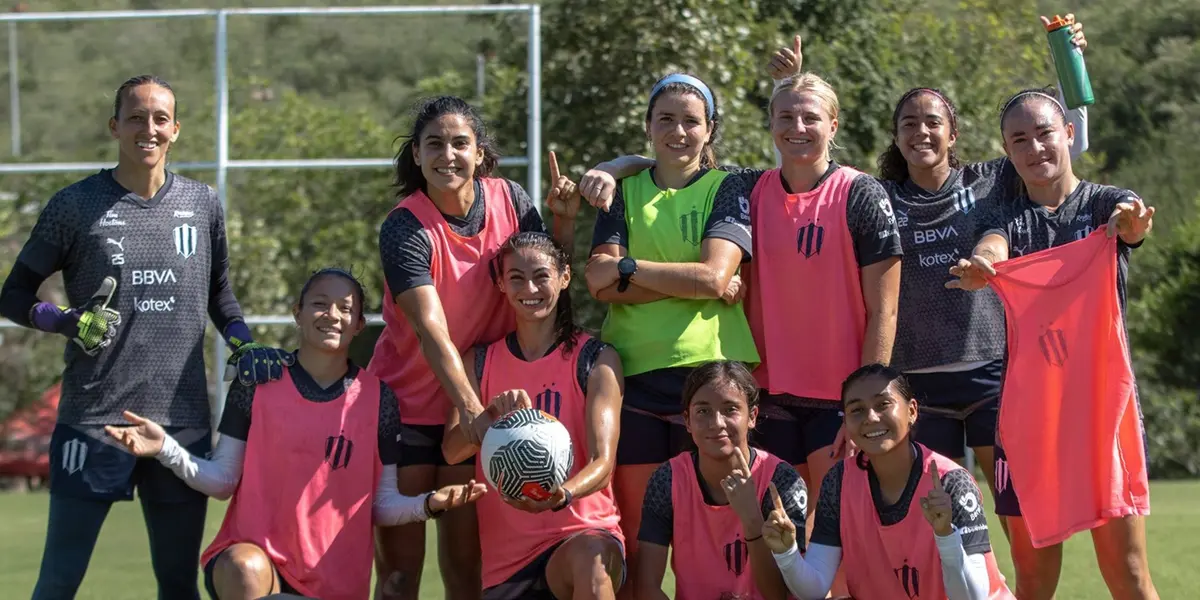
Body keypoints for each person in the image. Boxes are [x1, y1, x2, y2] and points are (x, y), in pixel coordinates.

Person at [583, 59, 903, 555]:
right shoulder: (752, 188)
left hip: (837, 398)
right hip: (768, 392)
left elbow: (884, 312)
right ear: (770, 125)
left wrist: (864, 406)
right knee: (775, 540)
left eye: (811, 118)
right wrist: (612, 167)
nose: (798, 128)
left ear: (833, 125)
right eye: (785, 118)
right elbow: (671, 165)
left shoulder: (860, 193)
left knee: (840, 539)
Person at [0, 74, 290, 600]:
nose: (148, 129)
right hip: (92, 420)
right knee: (59, 582)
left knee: (178, 584)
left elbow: (219, 293)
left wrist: (243, 340)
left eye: (160, 119)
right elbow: (13, 294)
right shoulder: (75, 205)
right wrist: (67, 321)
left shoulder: (203, 204)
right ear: (115, 126)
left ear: (176, 130)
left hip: (179, 424)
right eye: (135, 117)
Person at [105, 268, 487, 600]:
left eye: (346, 308)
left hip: (337, 584)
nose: (332, 315)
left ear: (358, 324)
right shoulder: (258, 381)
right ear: (297, 314)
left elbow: (381, 504)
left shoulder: (379, 398)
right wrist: (164, 448)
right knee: (244, 568)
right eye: (320, 304)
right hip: (258, 569)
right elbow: (223, 481)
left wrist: (429, 504)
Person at [948, 88, 1159, 600]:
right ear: (1007, 150)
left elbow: (1129, 223)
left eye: (1044, 133)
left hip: (1101, 411)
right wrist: (985, 263)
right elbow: (992, 244)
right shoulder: (1002, 216)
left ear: (1068, 133)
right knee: (1035, 580)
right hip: (1028, 418)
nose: (1035, 147)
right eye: (1019, 139)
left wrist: (1129, 229)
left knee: (1128, 574)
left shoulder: (1106, 203)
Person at [370, 95, 580, 599]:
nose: (448, 154)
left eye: (460, 142)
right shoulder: (405, 225)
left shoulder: (511, 198)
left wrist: (565, 224)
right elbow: (430, 329)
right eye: (434, 144)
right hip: (409, 408)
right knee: (399, 577)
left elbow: (544, 284)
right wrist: (473, 413)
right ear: (416, 155)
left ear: (480, 153)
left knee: (468, 572)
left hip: (487, 406)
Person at [874, 16, 1088, 496]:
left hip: (993, 374)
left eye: (934, 123)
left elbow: (1060, 147)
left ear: (953, 134)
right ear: (896, 137)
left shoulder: (990, 181)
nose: (922, 132)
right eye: (910, 124)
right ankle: (959, 577)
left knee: (1017, 504)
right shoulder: (878, 197)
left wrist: (1069, 62)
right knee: (939, 515)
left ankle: (1020, 577)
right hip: (917, 385)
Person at [582, 72, 761, 592]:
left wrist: (632, 269)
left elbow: (715, 276)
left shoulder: (725, 187)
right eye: (666, 120)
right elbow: (597, 280)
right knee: (642, 539)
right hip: (634, 380)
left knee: (721, 530)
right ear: (648, 126)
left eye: (691, 121)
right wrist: (695, 282)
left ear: (709, 131)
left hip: (709, 376)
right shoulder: (622, 191)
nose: (678, 132)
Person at [441, 231, 626, 599]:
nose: (530, 287)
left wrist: (561, 495)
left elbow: (602, 461)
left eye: (542, 275)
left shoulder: (596, 359)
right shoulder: (479, 363)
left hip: (582, 531)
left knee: (590, 559)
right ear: (501, 284)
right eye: (516, 277)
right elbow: (452, 451)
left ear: (564, 277)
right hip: (507, 558)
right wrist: (488, 414)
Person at [764, 363, 1013, 599]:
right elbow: (815, 588)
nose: (871, 418)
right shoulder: (839, 481)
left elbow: (972, 598)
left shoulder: (952, 483)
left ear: (912, 411)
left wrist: (946, 536)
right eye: (856, 410)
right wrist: (787, 553)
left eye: (883, 404)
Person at [635, 361, 807, 600]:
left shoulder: (781, 480)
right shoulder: (668, 479)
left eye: (730, 409)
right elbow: (647, 587)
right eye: (703, 411)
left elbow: (781, 594)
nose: (716, 423)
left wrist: (751, 518)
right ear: (687, 421)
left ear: (752, 416)